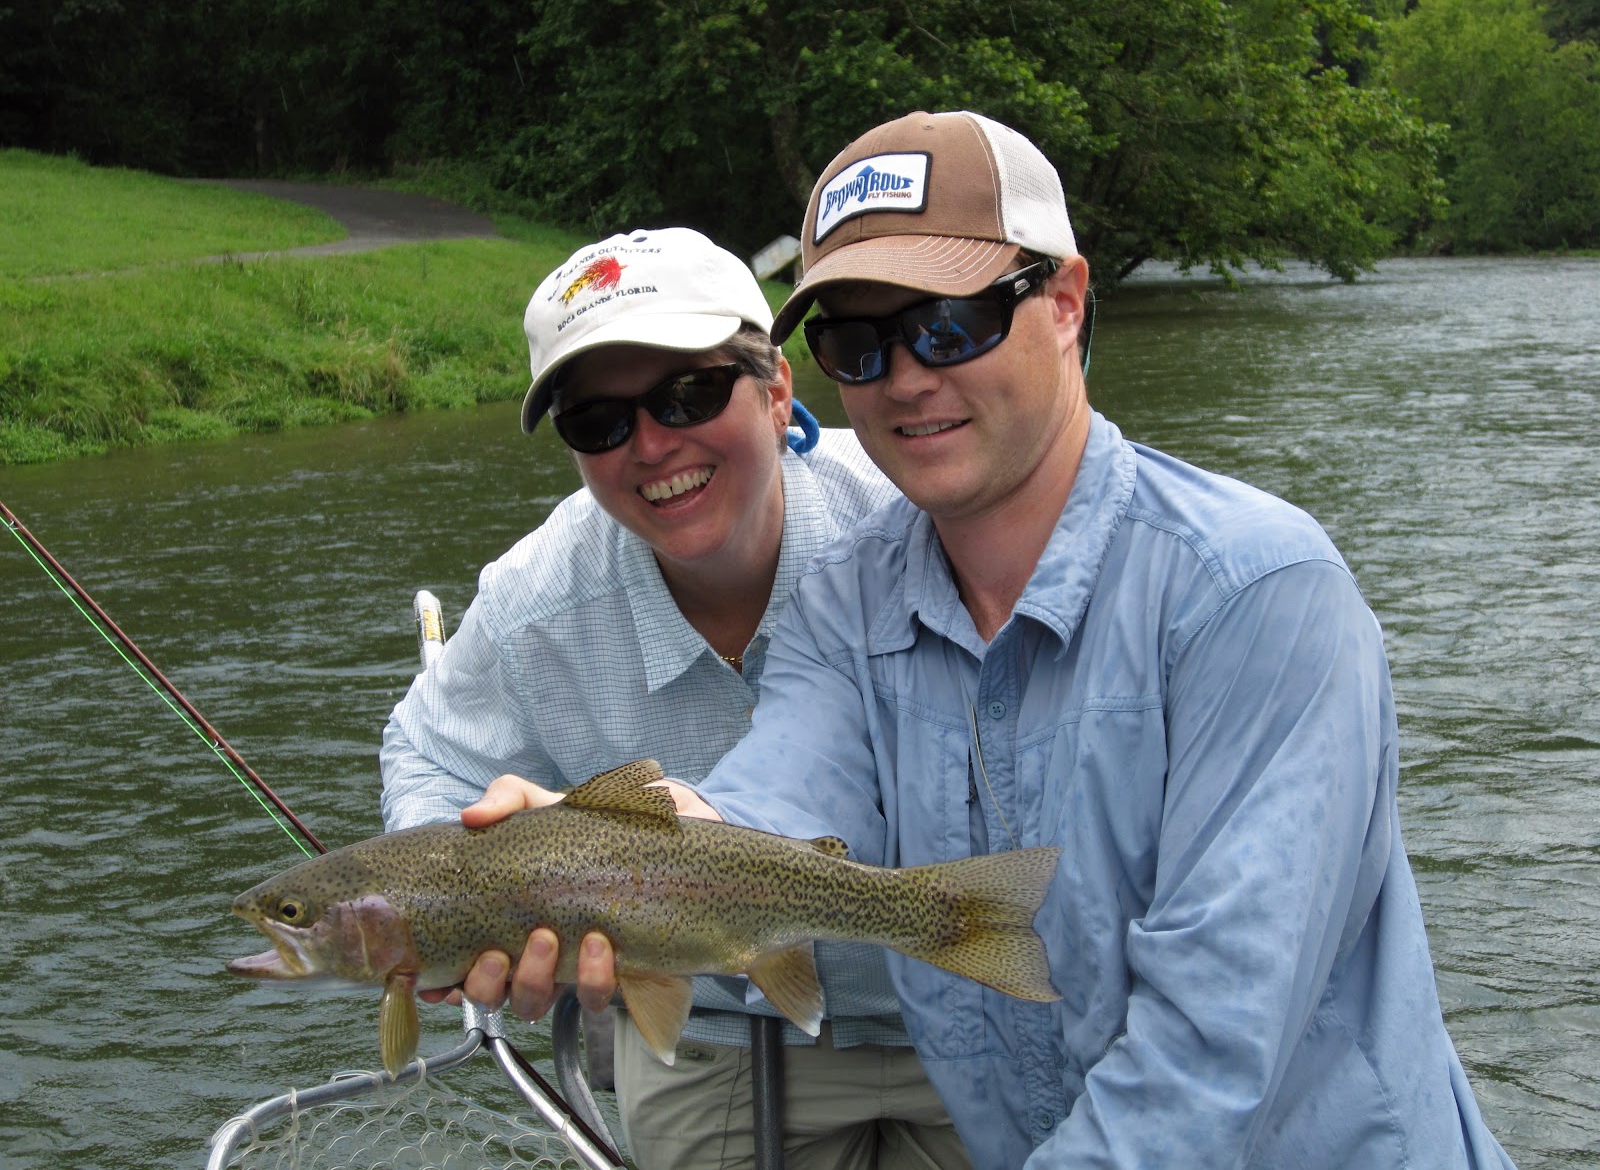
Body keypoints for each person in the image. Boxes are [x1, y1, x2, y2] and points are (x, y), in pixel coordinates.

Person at [466, 113, 1518, 1168]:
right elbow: (768, 817)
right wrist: (597, 849)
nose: (906, 376)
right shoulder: (849, 603)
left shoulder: (1253, 593)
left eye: (951, 321)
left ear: (1063, 303)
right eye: (856, 343)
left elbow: (1210, 1047)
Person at [378, 226, 969, 1170]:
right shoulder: (534, 598)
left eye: (688, 393)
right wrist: (455, 901)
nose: (652, 445)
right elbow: (428, 751)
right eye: (598, 422)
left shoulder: (926, 521)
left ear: (779, 391)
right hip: (713, 1027)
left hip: (965, 998)